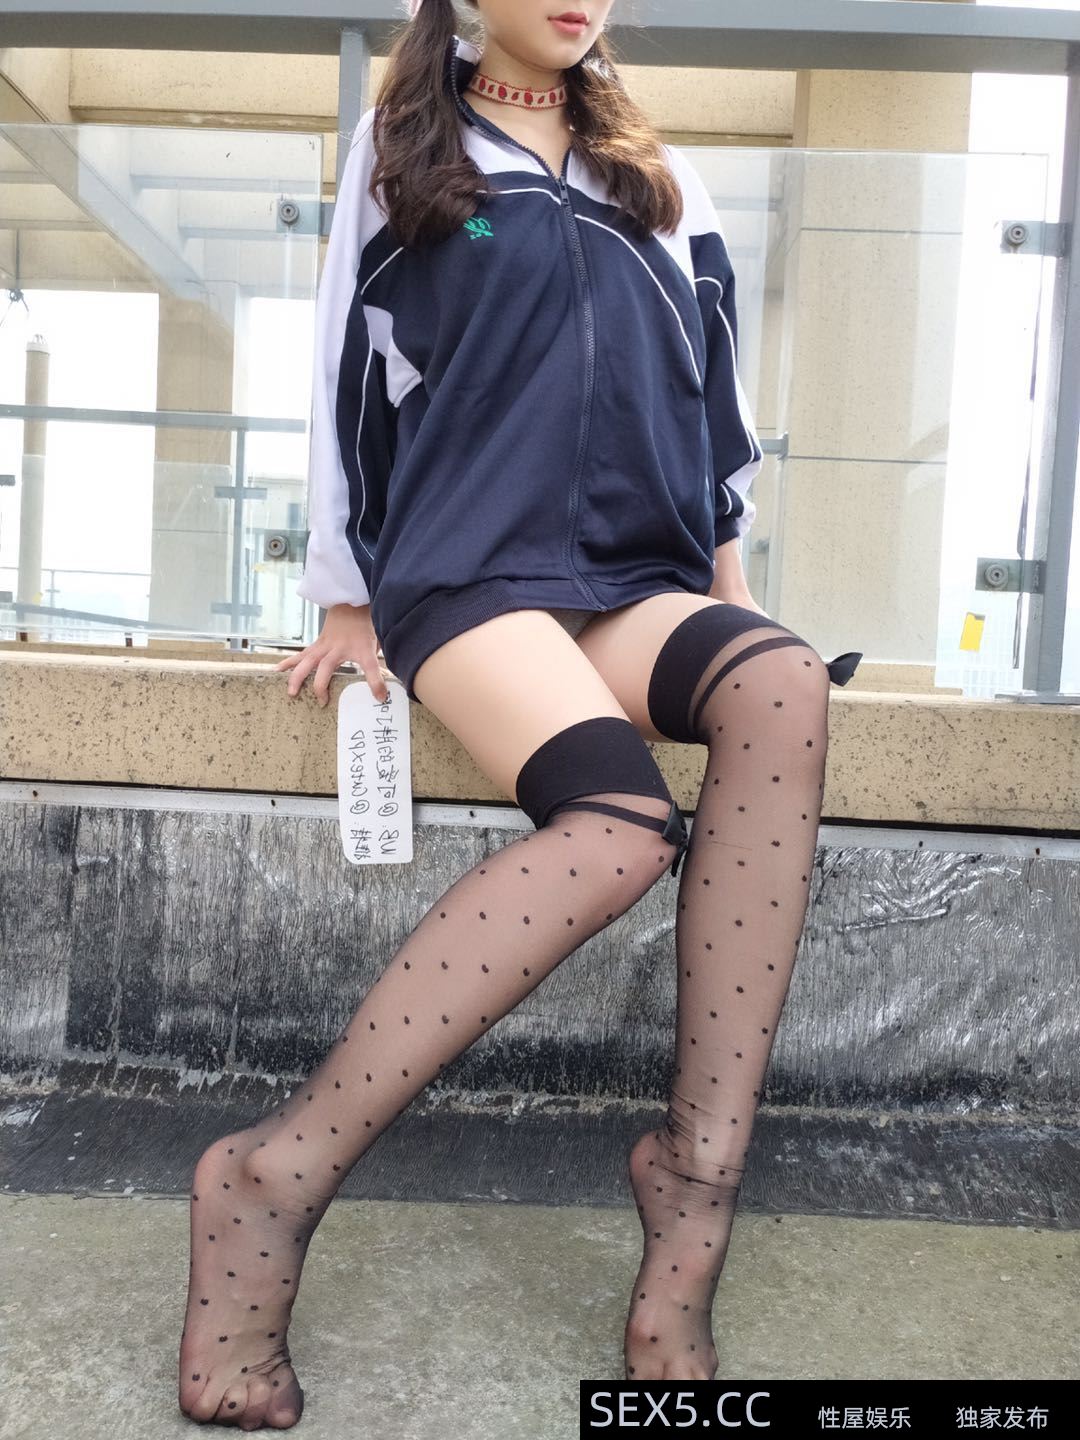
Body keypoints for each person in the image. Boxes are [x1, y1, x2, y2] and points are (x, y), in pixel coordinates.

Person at [179, 0, 862, 1427]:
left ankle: (696, 1186)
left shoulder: (654, 175)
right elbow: (345, 369)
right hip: (472, 571)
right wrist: (345, 594)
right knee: (618, 827)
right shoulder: (407, 149)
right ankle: (271, 1176)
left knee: (783, 681)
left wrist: (735, 596)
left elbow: (714, 402)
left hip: (636, 578)